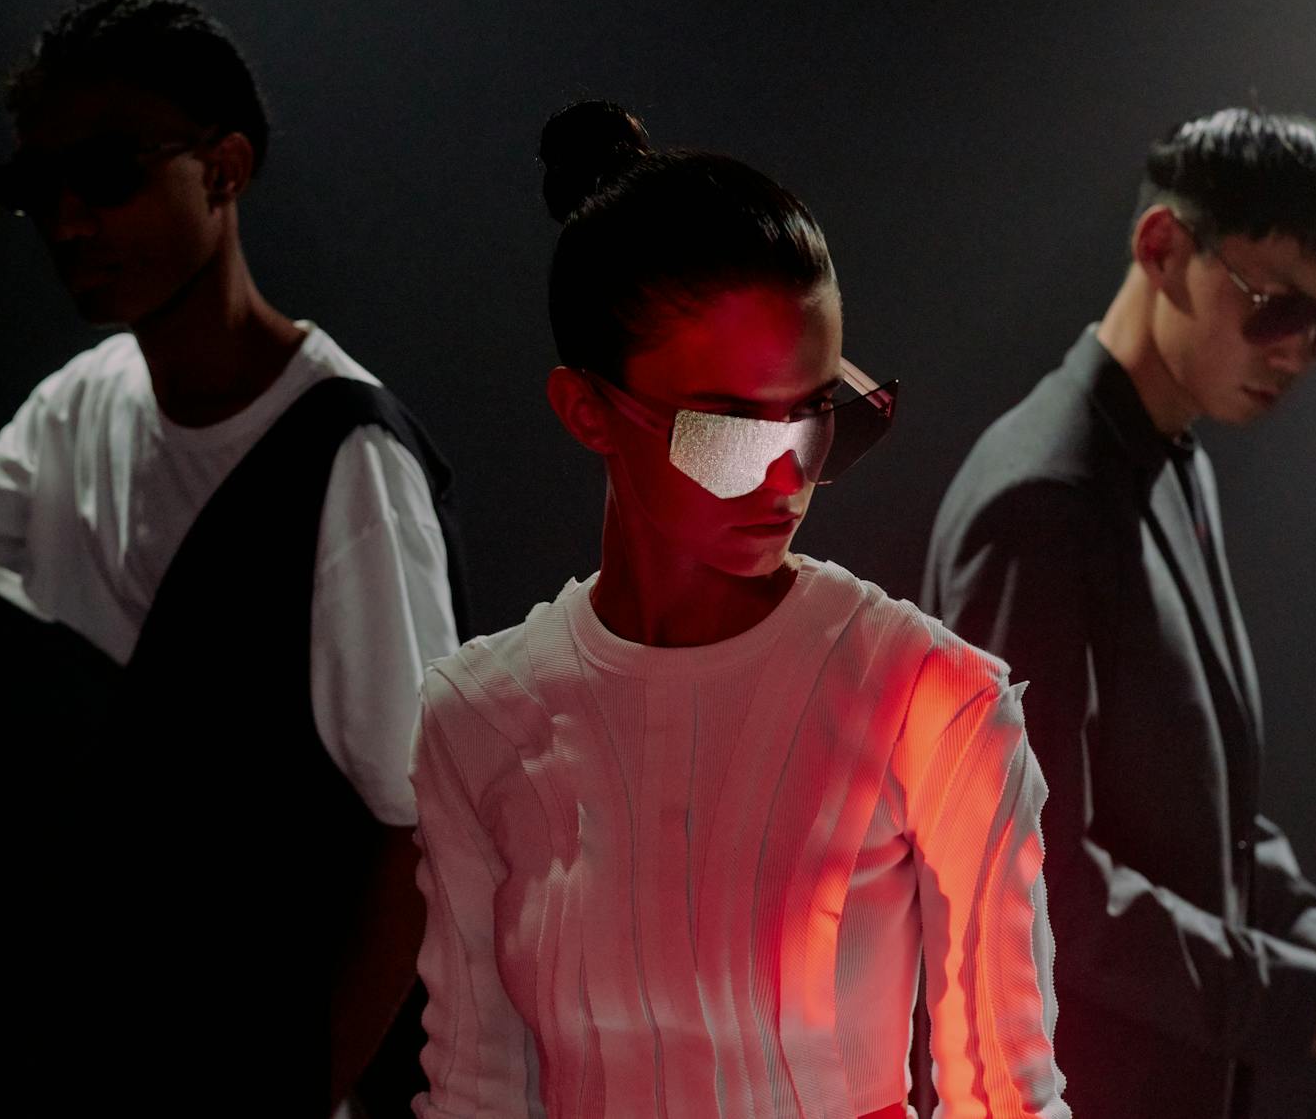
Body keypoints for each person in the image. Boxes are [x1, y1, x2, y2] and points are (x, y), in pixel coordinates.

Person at [0, 0, 462, 1107]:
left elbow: (416, 835)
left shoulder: (348, 457)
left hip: (258, 1042)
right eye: (42, 187)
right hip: (105, 1026)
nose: (71, 219)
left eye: (112, 171)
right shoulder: (85, 404)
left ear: (224, 169)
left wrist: (308, 1086)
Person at [408, 101, 1070, 1118]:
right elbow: (473, 1091)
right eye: (726, 429)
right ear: (585, 410)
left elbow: (1009, 1099)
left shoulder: (931, 702)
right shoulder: (478, 719)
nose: (784, 479)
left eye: (817, 421)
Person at [922, 108, 1316, 1117]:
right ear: (1161, 248)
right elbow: (1031, 883)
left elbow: (1191, 810)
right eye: (1271, 308)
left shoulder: (1173, 461)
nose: (1297, 353)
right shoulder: (1039, 502)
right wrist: (1293, 997)